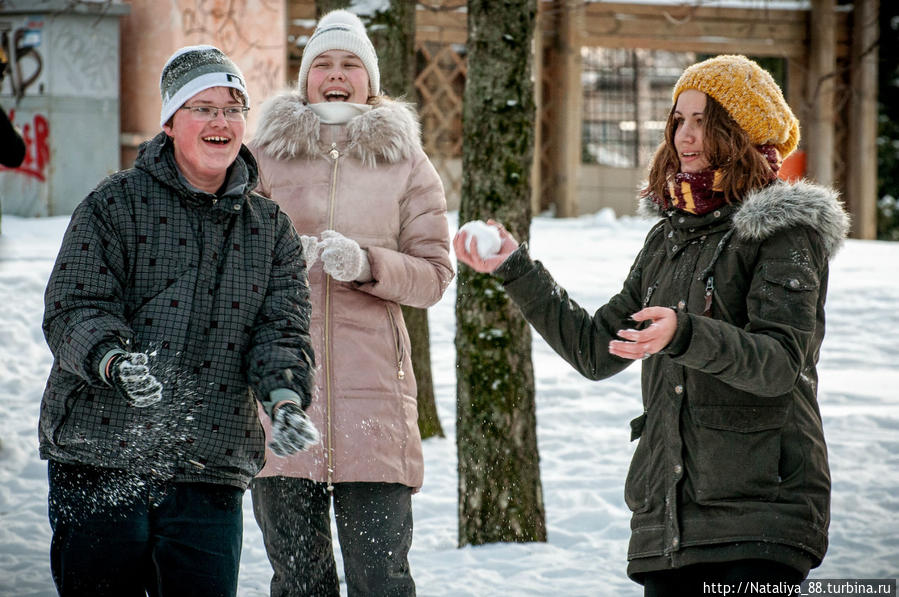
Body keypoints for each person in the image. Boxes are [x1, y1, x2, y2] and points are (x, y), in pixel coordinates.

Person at [455, 55, 847, 596]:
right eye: (679, 119)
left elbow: (780, 364)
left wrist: (685, 334)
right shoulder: (667, 240)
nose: (686, 135)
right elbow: (597, 350)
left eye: (704, 121)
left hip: (761, 515)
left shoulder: (782, 234)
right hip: (668, 521)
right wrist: (514, 268)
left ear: (741, 131)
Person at [40, 45, 319, 597]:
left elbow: (281, 333)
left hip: (209, 464)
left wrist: (284, 398)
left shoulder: (271, 230)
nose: (221, 121)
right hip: (101, 455)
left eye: (233, 108)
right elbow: (73, 307)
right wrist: (114, 361)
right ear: (170, 122)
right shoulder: (114, 205)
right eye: (203, 107)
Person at [248, 9, 453, 597]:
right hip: (281, 402)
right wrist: (286, 258)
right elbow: (233, 267)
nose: (336, 75)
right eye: (323, 64)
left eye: (350, 64)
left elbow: (436, 276)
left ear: (371, 79)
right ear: (306, 77)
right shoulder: (262, 157)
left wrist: (366, 265)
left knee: (380, 581)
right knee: (299, 582)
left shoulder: (407, 162)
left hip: (376, 406)